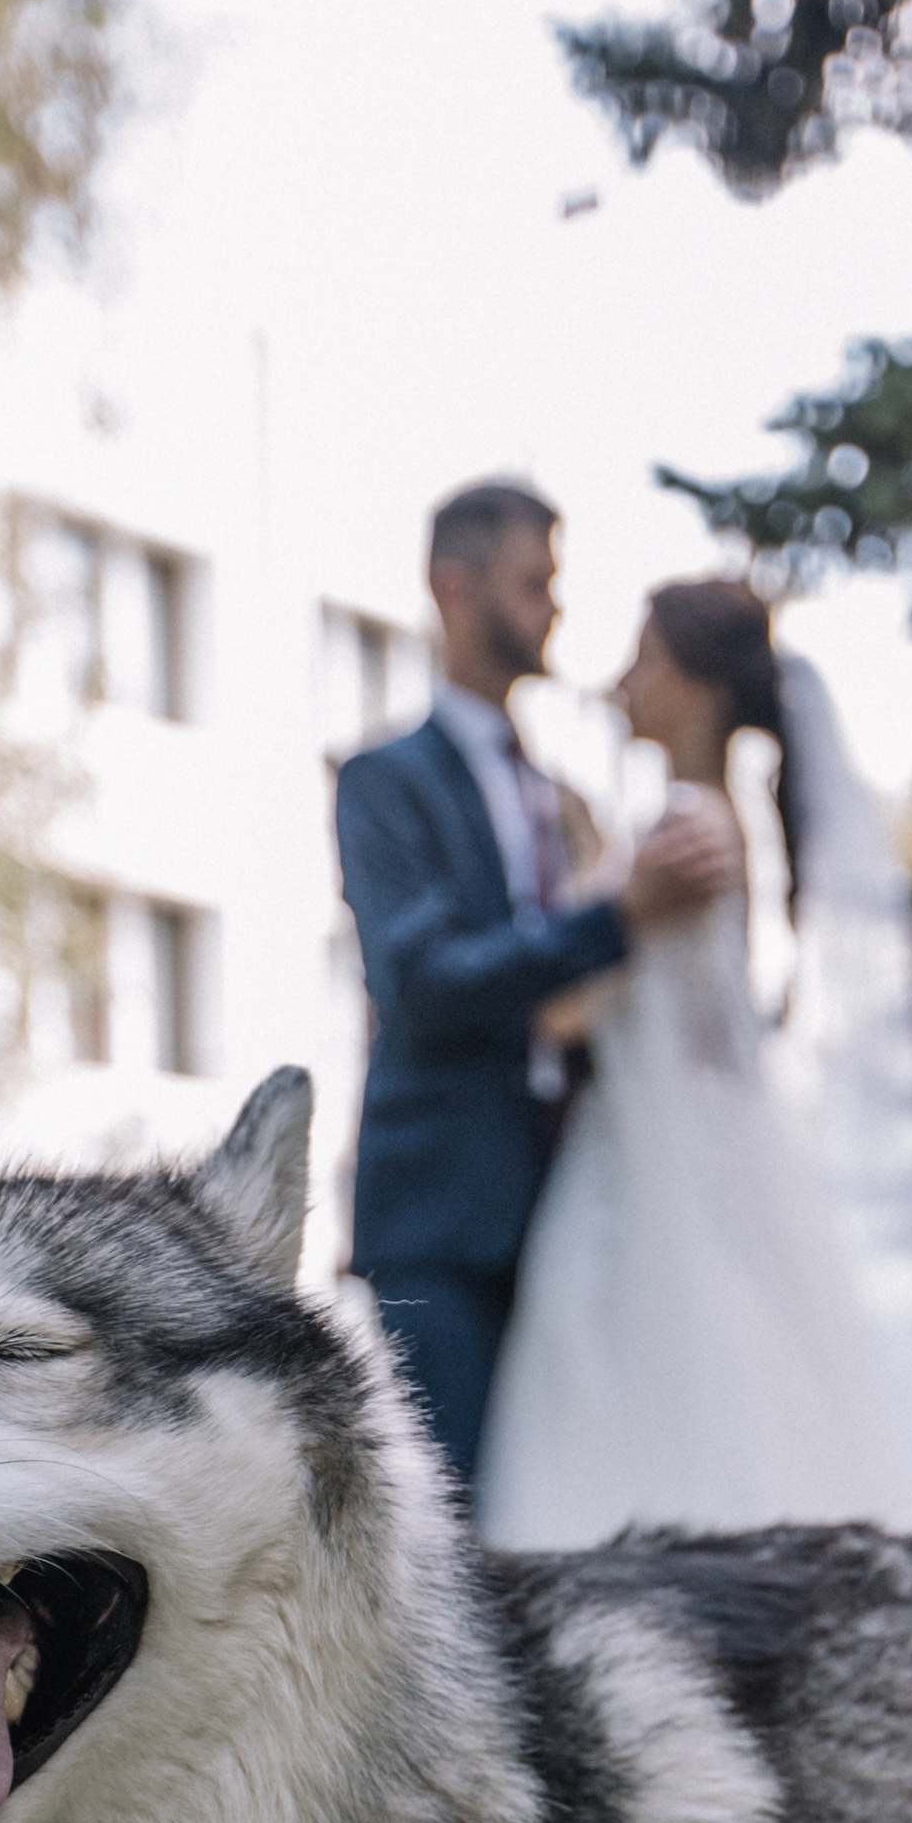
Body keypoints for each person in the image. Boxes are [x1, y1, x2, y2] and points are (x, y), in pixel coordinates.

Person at [472, 576, 912, 1547]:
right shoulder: (716, 820)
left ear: (697, 686)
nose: (624, 683)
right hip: (700, 1144)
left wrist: (586, 890)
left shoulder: (675, 833)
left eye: (645, 661)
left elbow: (562, 1011)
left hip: (645, 1165)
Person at [335, 480, 736, 1488]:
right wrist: (617, 919)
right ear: (452, 587)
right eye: (532, 583)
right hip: (440, 1225)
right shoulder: (383, 781)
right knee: (450, 1537)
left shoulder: (555, 791)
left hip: (567, 1217)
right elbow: (421, 982)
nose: (553, 607)